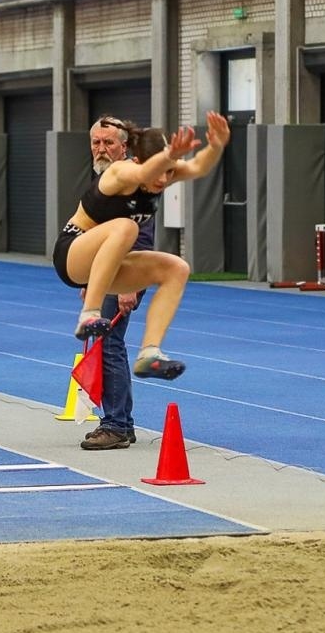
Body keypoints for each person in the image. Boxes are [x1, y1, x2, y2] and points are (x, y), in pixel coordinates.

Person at [53, 111, 230, 381]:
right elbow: (148, 171)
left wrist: (216, 145)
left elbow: (198, 167)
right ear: (137, 160)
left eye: (170, 173)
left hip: (108, 261)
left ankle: (150, 352)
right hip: (72, 252)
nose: (162, 180)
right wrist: (167, 157)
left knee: (177, 268)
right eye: (160, 171)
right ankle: (89, 314)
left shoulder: (164, 172)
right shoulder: (121, 171)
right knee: (127, 226)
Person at [80, 116, 151, 451]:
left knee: (109, 345)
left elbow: (141, 235)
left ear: (124, 145)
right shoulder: (100, 178)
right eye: (96, 141)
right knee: (104, 343)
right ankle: (122, 421)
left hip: (126, 272)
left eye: (108, 142)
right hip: (105, 273)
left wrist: (130, 285)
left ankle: (116, 425)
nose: (101, 148)